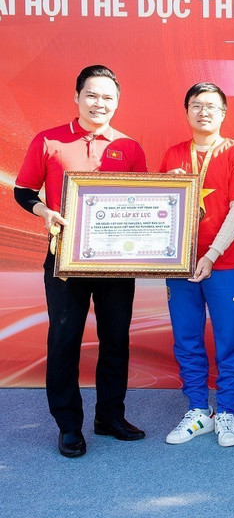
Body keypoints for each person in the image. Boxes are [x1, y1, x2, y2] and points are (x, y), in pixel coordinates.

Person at [14, 65, 148, 457]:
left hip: (117, 263)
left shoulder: (130, 146)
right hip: (65, 260)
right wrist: (45, 212)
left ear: (117, 102)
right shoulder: (48, 141)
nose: (99, 103)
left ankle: (110, 416)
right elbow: (23, 190)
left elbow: (142, 200)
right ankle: (69, 426)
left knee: (116, 339)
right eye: (92, 94)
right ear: (77, 97)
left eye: (108, 97)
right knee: (64, 340)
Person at [160, 82, 234, 448]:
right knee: (187, 339)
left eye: (211, 106)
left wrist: (211, 255)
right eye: (196, 105)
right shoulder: (173, 154)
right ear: (186, 110)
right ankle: (198, 409)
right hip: (180, 267)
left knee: (229, 340)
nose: (204, 112)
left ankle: (227, 411)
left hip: (224, 265)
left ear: (223, 113)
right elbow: (161, 210)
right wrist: (165, 189)